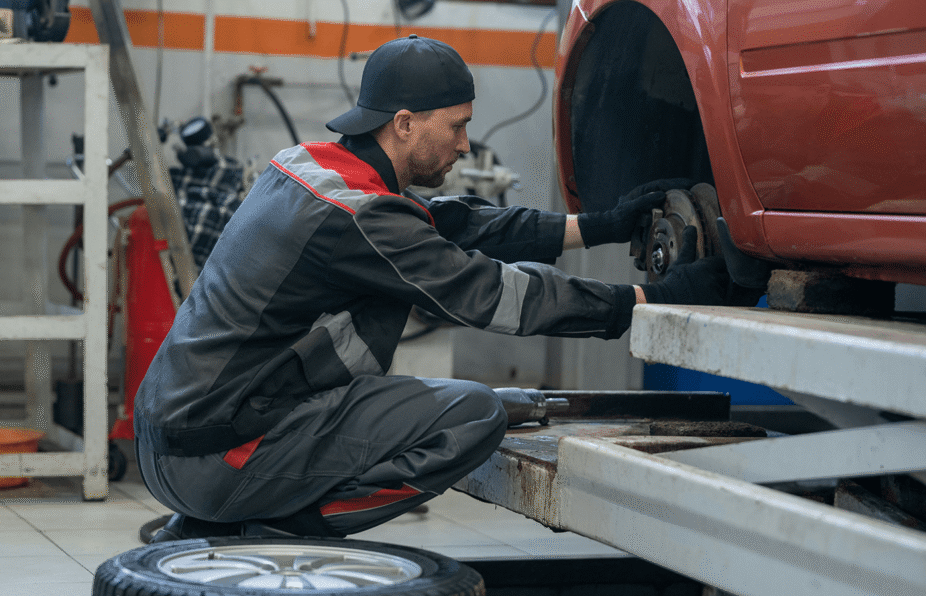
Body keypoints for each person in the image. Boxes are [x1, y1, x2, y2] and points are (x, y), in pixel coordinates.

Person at [136, 35, 730, 542]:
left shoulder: (308, 170)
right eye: (457, 126)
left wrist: (596, 227)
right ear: (404, 124)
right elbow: (494, 294)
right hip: (216, 455)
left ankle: (228, 510)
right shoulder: (361, 216)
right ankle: (257, 525)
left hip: (171, 439)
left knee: (441, 391)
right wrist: (650, 301)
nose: (465, 144)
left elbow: (456, 221)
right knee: (472, 416)